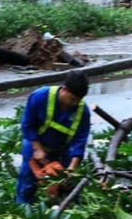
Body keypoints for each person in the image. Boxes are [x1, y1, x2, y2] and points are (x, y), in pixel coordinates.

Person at [16, 70, 91, 204]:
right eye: (72, 99)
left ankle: (71, 211)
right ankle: (23, 209)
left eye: (78, 100)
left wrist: (72, 168)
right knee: (27, 185)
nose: (74, 103)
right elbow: (27, 124)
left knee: (70, 188)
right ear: (64, 89)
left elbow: (80, 141)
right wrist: (37, 148)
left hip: (62, 150)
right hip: (35, 146)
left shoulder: (82, 111)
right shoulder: (40, 97)